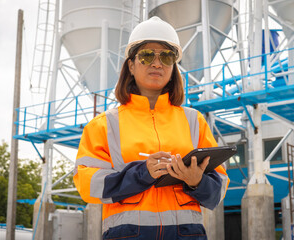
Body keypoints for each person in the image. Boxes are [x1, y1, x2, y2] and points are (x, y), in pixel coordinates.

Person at [73, 16, 229, 240]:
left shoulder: (194, 121)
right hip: (127, 235)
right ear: (131, 65)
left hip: (187, 234)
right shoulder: (104, 125)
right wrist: (142, 173)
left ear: (173, 66)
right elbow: (87, 185)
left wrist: (197, 181)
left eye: (166, 56)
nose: (157, 64)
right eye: (147, 56)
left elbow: (219, 189)